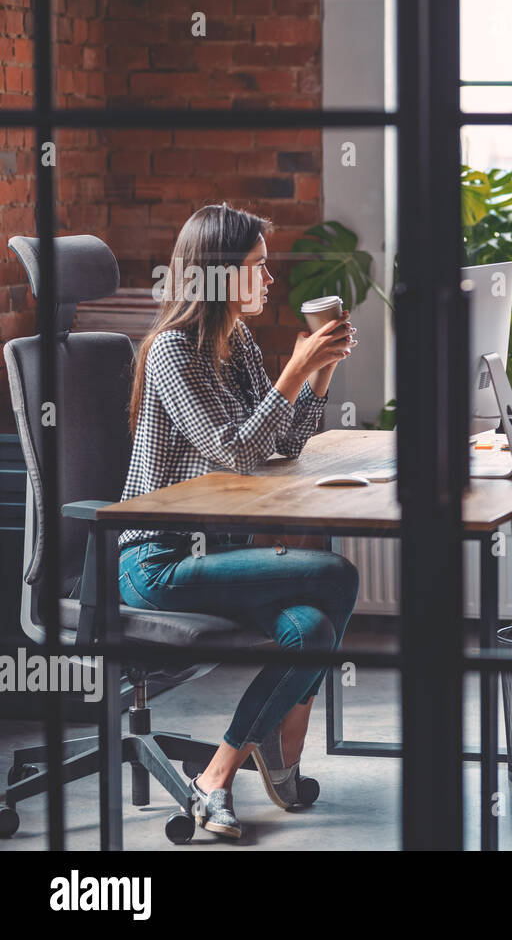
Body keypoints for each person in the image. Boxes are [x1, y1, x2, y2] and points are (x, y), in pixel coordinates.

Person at [118, 204, 360, 839]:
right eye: (257, 267)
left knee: (310, 630)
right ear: (222, 275)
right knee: (335, 576)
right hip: (158, 563)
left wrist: (319, 376)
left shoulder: (240, 342)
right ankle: (283, 754)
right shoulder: (173, 350)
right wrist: (294, 371)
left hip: (218, 558)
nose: (269, 279)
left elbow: (281, 446)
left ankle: (216, 775)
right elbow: (236, 450)